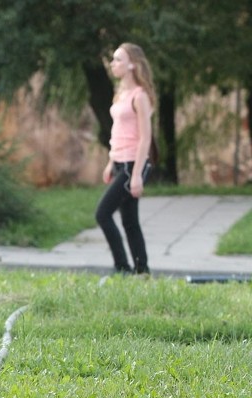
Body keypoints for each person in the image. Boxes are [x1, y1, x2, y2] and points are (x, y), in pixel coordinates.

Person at [95, 42, 156, 276]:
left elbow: (145, 138)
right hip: (120, 162)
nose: (113, 64)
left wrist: (137, 175)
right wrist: (111, 161)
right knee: (130, 221)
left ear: (132, 65)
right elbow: (118, 130)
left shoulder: (140, 96)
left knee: (102, 214)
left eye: (118, 60)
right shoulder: (121, 93)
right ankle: (143, 271)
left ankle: (123, 268)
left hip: (133, 164)